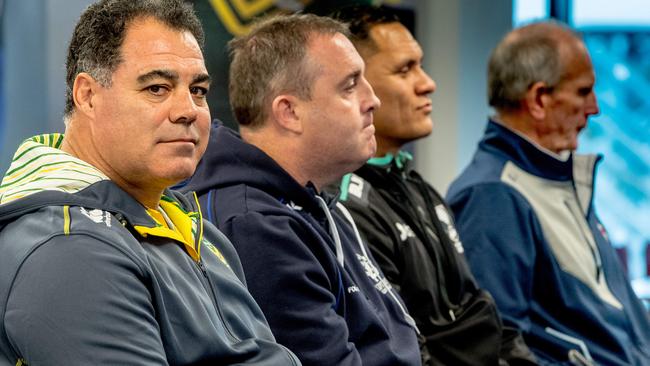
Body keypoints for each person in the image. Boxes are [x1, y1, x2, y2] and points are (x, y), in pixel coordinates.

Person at [0, 0, 301, 365]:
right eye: (157, 88)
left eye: (198, 90)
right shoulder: (68, 246)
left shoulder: (187, 223)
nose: (188, 109)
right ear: (87, 95)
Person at [180, 13, 422, 366]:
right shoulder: (256, 226)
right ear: (289, 112)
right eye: (350, 86)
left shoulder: (314, 200)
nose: (373, 101)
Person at [329, 5, 537, 366]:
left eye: (420, 66)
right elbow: (403, 348)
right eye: (405, 69)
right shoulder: (346, 207)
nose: (428, 83)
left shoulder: (419, 190)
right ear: (354, 86)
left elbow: (488, 321)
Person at [446, 21, 650, 365]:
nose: (595, 108)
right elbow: (497, 345)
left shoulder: (556, 178)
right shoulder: (494, 196)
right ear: (539, 99)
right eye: (583, 92)